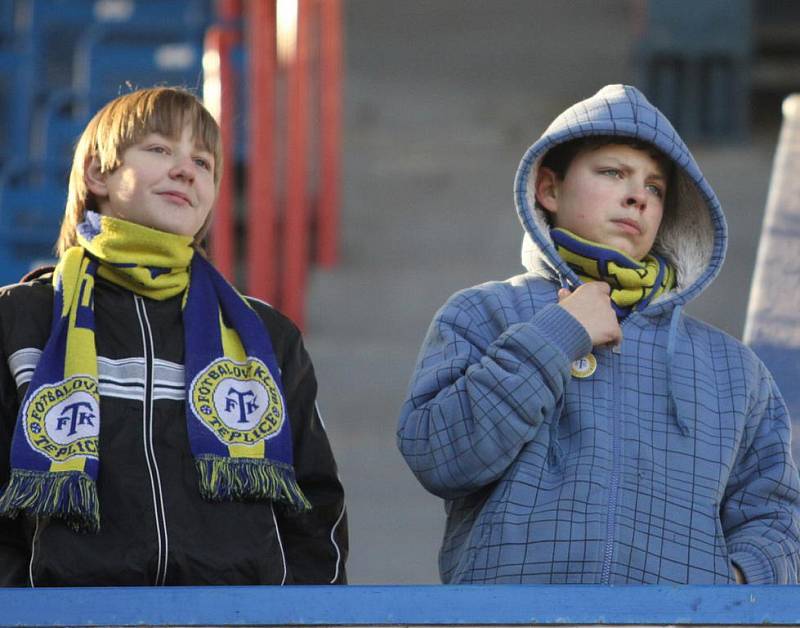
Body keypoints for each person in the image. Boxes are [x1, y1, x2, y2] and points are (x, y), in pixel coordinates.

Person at [397, 84, 800, 585]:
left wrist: (733, 586)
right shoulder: (483, 314)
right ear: (549, 189)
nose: (637, 196)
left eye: (655, 187)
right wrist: (557, 335)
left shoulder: (733, 368)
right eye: (613, 173)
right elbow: (440, 456)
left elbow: (776, 519)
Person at [0, 87, 347, 586]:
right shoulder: (19, 319)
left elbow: (315, 507)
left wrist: (298, 613)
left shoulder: (265, 335)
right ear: (99, 173)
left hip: (236, 622)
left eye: (203, 163)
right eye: (160, 149)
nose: (186, 170)